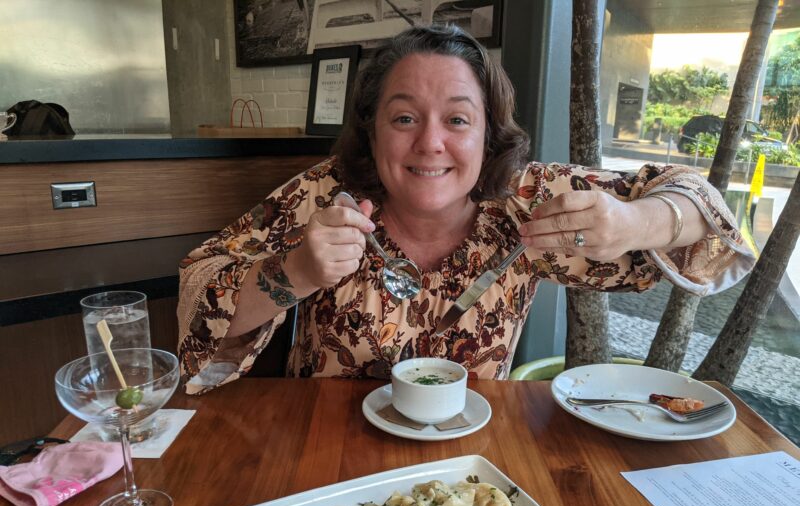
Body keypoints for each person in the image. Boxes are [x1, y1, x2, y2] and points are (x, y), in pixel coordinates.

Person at [177, 25, 755, 394]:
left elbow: (707, 213)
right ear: (371, 133)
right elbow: (198, 287)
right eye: (404, 118)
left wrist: (634, 222)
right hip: (324, 454)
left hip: (470, 462)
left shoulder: (529, 200)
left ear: (489, 135)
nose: (430, 143)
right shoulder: (324, 195)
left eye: (457, 119)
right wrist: (294, 273)